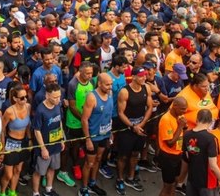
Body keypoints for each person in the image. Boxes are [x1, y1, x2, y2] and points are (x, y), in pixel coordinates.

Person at [115, 65, 153, 195]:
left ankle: (130, 177)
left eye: (145, 76)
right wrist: (133, 126)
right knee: (123, 156)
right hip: (126, 128)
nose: (144, 78)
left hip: (140, 127)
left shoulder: (146, 87)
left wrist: (141, 124)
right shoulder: (125, 92)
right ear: (134, 77)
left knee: (135, 154)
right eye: (141, 76)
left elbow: (149, 107)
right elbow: (120, 112)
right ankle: (120, 178)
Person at [182, 109, 220, 196]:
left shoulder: (187, 135)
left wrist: (180, 179)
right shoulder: (211, 138)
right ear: (211, 121)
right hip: (208, 183)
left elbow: (185, 159)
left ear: (197, 119)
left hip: (192, 180)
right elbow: (213, 166)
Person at [79, 73, 113, 196]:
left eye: (111, 84)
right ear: (99, 84)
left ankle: (92, 183)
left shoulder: (110, 94)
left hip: (105, 135)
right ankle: (83, 188)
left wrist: (110, 132)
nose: (110, 87)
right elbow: (84, 119)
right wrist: (87, 139)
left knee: (98, 159)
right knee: (89, 163)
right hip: (93, 136)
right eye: (107, 84)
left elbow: (109, 115)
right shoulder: (92, 97)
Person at [32, 83, 65, 196]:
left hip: (55, 145)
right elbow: (37, 130)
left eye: (59, 96)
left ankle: (49, 189)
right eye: (55, 97)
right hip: (45, 147)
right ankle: (36, 193)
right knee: (39, 172)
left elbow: (59, 121)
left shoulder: (57, 105)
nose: (58, 99)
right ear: (47, 95)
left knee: (52, 168)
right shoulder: (40, 110)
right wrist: (43, 148)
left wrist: (61, 138)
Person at [66, 61, 95, 182]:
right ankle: (75, 165)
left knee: (85, 141)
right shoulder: (73, 84)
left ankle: (80, 156)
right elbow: (72, 106)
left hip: (87, 120)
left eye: (91, 73)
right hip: (75, 121)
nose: (89, 75)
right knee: (75, 145)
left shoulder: (92, 82)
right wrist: (83, 118)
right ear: (80, 72)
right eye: (87, 73)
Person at [1, 86, 31, 196]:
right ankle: (3, 192)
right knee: (8, 174)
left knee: (18, 170)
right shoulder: (9, 111)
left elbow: (28, 126)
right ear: (15, 98)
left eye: (26, 97)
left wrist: (30, 138)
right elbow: (2, 129)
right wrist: (2, 146)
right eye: (22, 98)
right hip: (11, 142)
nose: (25, 99)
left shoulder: (28, 107)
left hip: (23, 142)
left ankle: (12, 191)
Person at [157, 97, 187, 196]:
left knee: (175, 181)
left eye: (185, 108)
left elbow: (182, 135)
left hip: (177, 154)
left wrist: (184, 127)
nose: (184, 111)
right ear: (175, 106)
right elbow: (170, 143)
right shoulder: (166, 119)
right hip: (168, 157)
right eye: (182, 108)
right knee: (167, 186)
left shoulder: (178, 116)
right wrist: (180, 127)